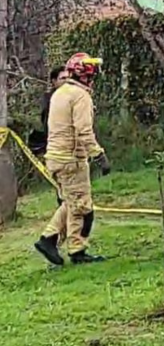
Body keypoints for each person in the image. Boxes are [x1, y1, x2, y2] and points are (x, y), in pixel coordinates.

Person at [34, 53, 111, 266]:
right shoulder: (80, 96)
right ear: (85, 73)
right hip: (71, 159)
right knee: (82, 206)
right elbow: (83, 130)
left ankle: (48, 240)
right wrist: (98, 154)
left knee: (70, 202)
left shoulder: (61, 92)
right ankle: (76, 250)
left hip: (55, 157)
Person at [29, 66, 70, 155]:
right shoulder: (49, 99)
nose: (66, 81)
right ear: (54, 81)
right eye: (63, 78)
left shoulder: (76, 97)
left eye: (68, 78)